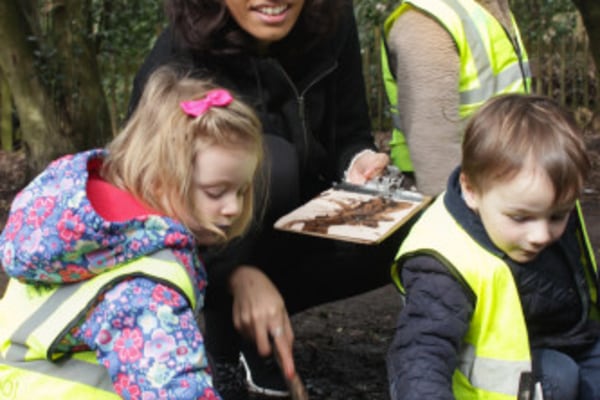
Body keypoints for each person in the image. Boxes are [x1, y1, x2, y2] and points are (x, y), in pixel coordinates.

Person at [128, 0, 404, 397]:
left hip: (305, 215)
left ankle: (261, 323)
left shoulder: (332, 24)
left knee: (413, 231)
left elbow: (351, 131)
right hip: (208, 243)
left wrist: (358, 163)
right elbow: (145, 207)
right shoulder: (177, 57)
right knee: (269, 163)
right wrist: (232, 274)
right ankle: (222, 343)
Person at [0, 66, 264, 399]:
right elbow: (172, 389)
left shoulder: (82, 230)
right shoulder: (146, 283)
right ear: (159, 178)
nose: (234, 208)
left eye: (241, 191)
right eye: (216, 192)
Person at [387, 93, 600, 400]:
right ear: (472, 190)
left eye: (557, 215)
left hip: (566, 338)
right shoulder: (444, 257)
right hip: (499, 386)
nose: (541, 234)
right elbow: (420, 355)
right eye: (521, 217)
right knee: (559, 375)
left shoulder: (537, 201)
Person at [380, 0, 531, 195]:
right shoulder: (426, 22)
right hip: (469, 195)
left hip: (501, 180)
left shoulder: (486, 8)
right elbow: (435, 157)